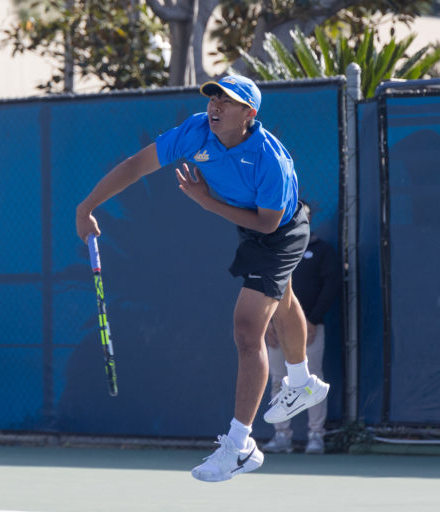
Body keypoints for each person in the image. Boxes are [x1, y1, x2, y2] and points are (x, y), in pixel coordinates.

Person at [75, 75, 330, 482]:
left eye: (227, 101)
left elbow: (268, 225)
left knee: (247, 330)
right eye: (213, 97)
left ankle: (241, 444)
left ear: (249, 113)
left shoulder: (270, 160)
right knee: (284, 300)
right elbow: (137, 165)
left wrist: (205, 201)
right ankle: (302, 382)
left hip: (280, 230)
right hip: (253, 227)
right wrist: (87, 205)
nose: (215, 105)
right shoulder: (196, 131)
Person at [261, 200, 341, 455]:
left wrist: (312, 320)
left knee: (310, 380)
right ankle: (281, 435)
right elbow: (263, 289)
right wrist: (269, 323)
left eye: (301, 216)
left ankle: (316, 435)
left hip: (312, 328)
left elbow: (331, 286)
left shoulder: (322, 251)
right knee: (278, 380)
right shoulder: (273, 251)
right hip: (276, 330)